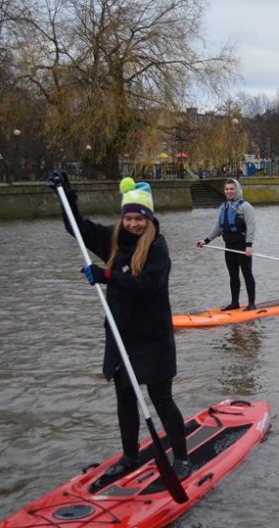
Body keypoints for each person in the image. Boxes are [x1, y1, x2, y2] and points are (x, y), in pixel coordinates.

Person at [47, 171, 191, 480]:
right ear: (123, 218)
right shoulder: (113, 239)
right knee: (125, 400)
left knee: (161, 400)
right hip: (121, 335)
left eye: (140, 218)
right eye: (129, 218)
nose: (134, 224)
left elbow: (148, 284)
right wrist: (66, 194)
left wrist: (106, 275)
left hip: (152, 337)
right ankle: (130, 456)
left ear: (149, 219)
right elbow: (77, 228)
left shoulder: (158, 247)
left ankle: (181, 457)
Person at [196, 178, 256, 310]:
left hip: (242, 246)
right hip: (229, 246)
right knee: (233, 275)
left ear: (237, 190)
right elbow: (218, 227)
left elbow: (251, 226)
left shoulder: (245, 206)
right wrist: (206, 240)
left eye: (232, 189)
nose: (229, 191)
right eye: (227, 189)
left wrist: (249, 245)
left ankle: (252, 304)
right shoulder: (224, 207)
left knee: (247, 274)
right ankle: (235, 303)